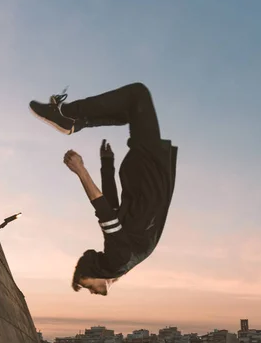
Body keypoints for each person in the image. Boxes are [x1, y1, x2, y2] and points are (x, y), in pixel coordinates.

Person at [29, 83, 178, 296]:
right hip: (148, 171)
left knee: (137, 97)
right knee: (134, 101)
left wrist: (84, 170)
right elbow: (112, 210)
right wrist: (106, 165)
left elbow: (107, 211)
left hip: (148, 170)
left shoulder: (117, 260)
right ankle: (71, 118)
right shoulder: (120, 262)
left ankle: (69, 117)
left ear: (94, 271)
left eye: (88, 285)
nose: (93, 292)